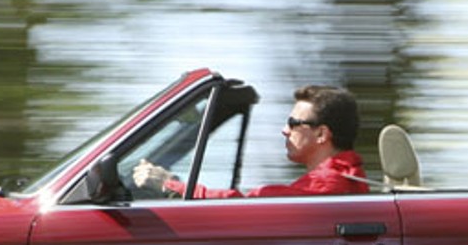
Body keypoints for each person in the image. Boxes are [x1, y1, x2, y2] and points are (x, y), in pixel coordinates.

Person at [132, 84, 368, 199]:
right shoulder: (341, 179)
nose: (284, 130)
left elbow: (241, 206)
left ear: (321, 134)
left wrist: (170, 184)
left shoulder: (327, 185)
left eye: (293, 123)